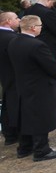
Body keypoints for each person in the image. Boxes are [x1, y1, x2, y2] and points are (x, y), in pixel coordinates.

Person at [9, 15, 56, 161]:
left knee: (26, 116)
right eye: (40, 26)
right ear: (33, 28)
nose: (41, 28)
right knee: (40, 117)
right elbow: (50, 65)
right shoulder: (36, 45)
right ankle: (42, 150)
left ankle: (25, 147)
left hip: (23, 85)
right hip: (39, 86)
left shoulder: (14, 42)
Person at [0, 12, 21, 146]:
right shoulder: (11, 38)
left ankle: (9, 134)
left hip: (5, 75)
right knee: (15, 105)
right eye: (16, 18)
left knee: (7, 105)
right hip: (15, 75)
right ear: (8, 21)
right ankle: (18, 133)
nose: (18, 20)